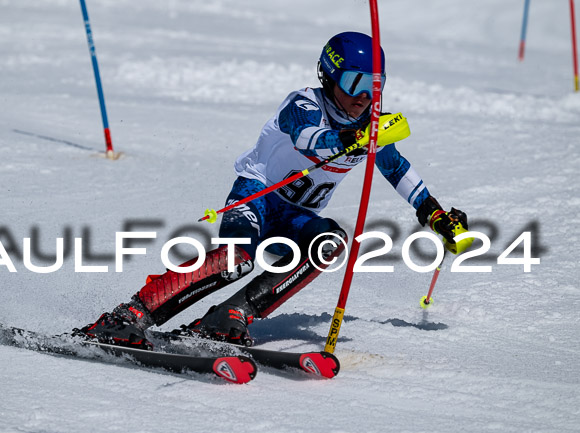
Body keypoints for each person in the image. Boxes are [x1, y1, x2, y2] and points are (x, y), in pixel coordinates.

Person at [76, 31, 468, 349]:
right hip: (257, 197)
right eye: (354, 83)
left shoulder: (371, 125)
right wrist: (351, 137)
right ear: (330, 78)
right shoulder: (303, 104)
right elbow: (308, 138)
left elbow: (396, 168)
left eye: (375, 86)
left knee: (330, 242)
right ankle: (130, 316)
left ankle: (230, 315)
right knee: (237, 259)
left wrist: (434, 213)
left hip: (294, 217)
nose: (364, 96)